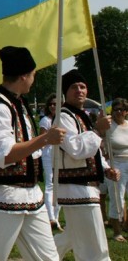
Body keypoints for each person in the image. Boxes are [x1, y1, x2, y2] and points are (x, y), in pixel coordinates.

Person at [0, 46, 65, 261]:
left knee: (48, 258)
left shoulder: (19, 105)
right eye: (33, 74)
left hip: (32, 196)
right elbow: (4, 156)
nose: (34, 79)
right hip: (4, 195)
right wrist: (45, 139)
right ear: (24, 76)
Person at [53, 69, 121, 260]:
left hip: (88, 188)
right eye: (74, 87)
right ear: (65, 92)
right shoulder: (63, 116)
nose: (79, 90)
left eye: (82, 87)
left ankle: (40, 257)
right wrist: (97, 131)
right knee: (95, 244)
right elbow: (76, 149)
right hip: (76, 188)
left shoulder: (82, 116)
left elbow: (94, 151)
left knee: (73, 237)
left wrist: (106, 169)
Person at [38, 93, 62, 230]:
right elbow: (41, 140)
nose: (53, 106)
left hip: (61, 155)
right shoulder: (45, 121)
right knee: (50, 185)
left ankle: (56, 218)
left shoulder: (63, 120)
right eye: (51, 104)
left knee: (60, 186)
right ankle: (50, 217)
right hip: (48, 155)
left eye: (56, 104)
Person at [106, 98, 128, 242]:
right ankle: (116, 232)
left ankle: (126, 225)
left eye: (122, 109)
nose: (119, 112)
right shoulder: (108, 125)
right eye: (116, 109)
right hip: (116, 164)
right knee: (117, 198)